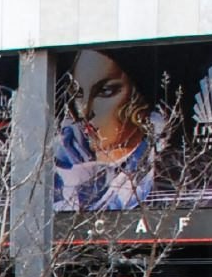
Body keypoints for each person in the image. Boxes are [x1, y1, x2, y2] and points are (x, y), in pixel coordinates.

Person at [54, 48, 163, 212]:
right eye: (78, 93)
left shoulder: (168, 172)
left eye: (105, 91)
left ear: (139, 97)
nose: (85, 111)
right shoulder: (53, 165)